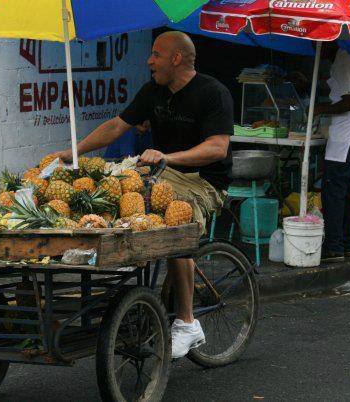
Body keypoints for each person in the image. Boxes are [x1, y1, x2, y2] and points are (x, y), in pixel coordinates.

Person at [56, 31, 233, 359]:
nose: (149, 61)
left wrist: (168, 157)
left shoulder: (212, 92)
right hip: (161, 173)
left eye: (156, 54)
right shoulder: (154, 91)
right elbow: (116, 126)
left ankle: (187, 322)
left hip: (203, 181)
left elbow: (217, 148)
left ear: (176, 58)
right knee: (118, 195)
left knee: (174, 222)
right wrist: (74, 152)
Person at [315, 42, 350, 263]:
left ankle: (334, 247)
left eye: (316, 43)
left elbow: (348, 102)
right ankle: (347, 244)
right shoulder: (342, 61)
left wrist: (320, 109)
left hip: (345, 138)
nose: (313, 47)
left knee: (333, 192)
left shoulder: (342, 63)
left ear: (327, 43)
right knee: (345, 192)